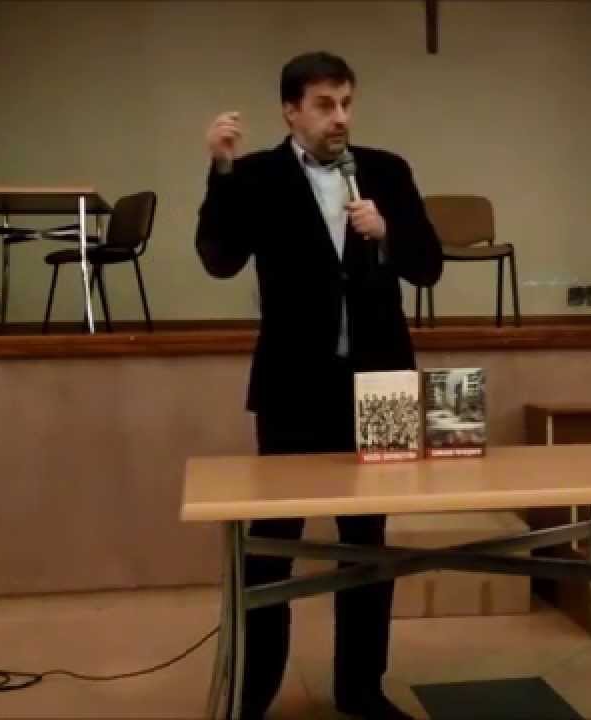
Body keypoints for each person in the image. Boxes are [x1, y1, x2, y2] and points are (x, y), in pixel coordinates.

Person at [195, 51, 442, 720]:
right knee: (273, 541)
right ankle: (253, 693)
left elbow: (429, 265)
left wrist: (388, 232)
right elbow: (219, 259)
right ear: (291, 111)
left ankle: (361, 689)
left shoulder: (387, 171)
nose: (340, 118)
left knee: (368, 543)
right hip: (293, 384)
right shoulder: (255, 175)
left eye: (347, 103)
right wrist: (220, 171)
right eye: (326, 105)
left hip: (383, 384)